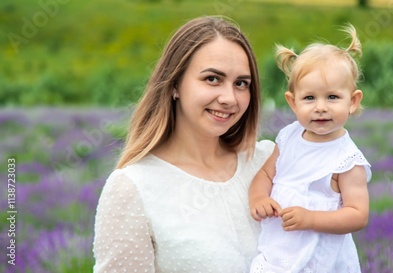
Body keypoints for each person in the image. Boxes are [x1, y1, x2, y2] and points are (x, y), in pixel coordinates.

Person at [92, 16, 276, 272]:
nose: (229, 98)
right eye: (212, 79)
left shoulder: (267, 161)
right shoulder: (134, 187)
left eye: (241, 84)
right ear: (175, 84)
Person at [248, 24, 371, 273]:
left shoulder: (347, 159)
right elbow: (266, 174)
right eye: (309, 98)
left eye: (333, 97)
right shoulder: (289, 136)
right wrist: (259, 198)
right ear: (293, 103)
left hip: (321, 257)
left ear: (353, 101)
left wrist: (312, 219)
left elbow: (358, 214)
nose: (321, 107)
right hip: (281, 247)